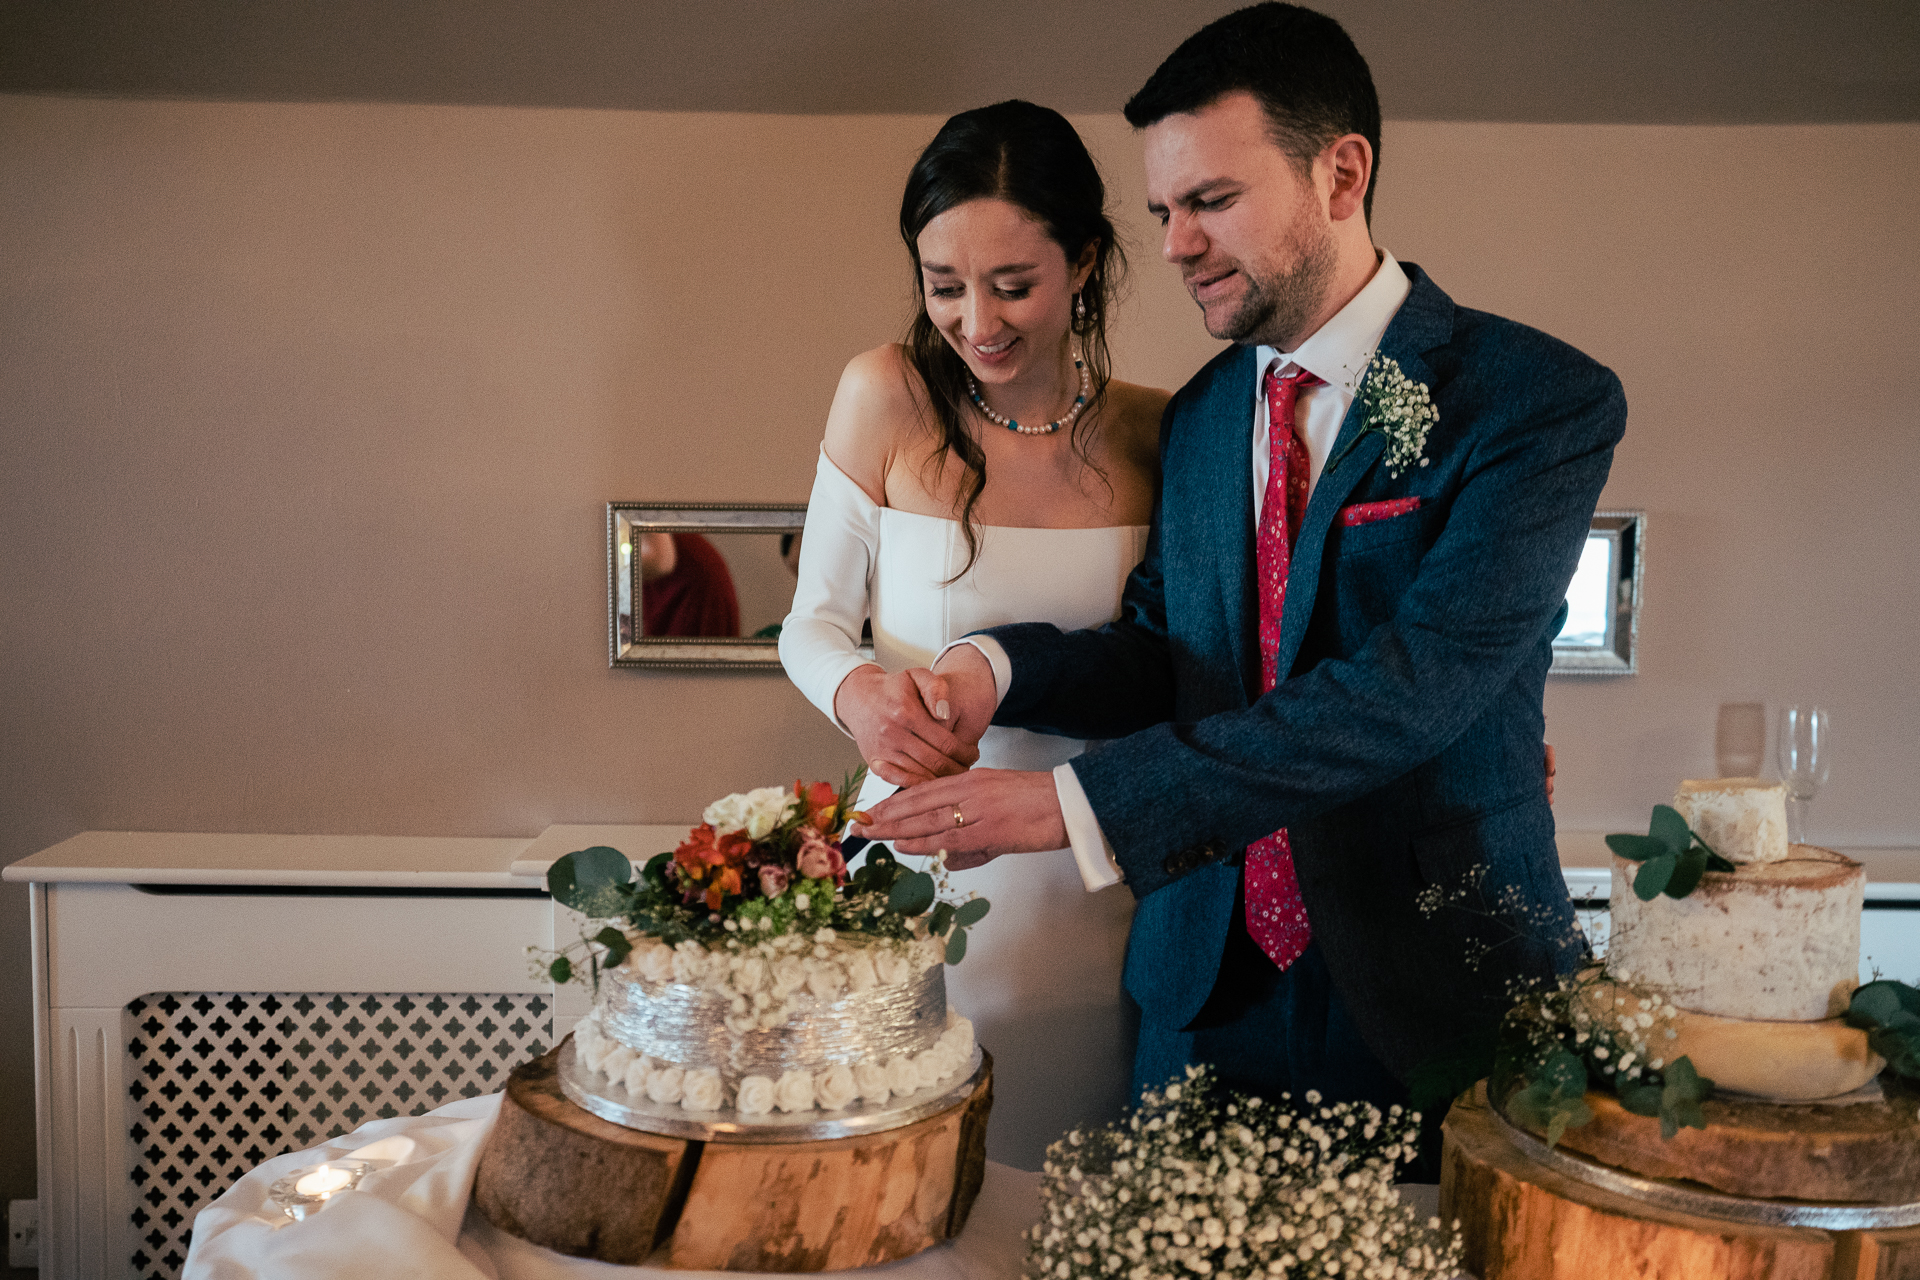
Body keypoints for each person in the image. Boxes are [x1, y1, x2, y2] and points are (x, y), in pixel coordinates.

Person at [857, 2, 1626, 1129]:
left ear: (1342, 174)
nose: (1173, 243)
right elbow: (1174, 650)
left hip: (1439, 982)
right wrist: (995, 672)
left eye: (1212, 201)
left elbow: (1410, 689)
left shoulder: (1533, 400)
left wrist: (1074, 804)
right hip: (1203, 978)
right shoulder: (1208, 416)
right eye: (1166, 209)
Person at [778, 101, 1168, 1158]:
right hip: (915, 860)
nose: (976, 320)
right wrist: (860, 694)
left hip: (1093, 873)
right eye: (943, 285)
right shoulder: (884, 395)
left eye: (1012, 285)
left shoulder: (1156, 429)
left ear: (1083, 261)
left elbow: (1165, 660)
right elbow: (812, 620)